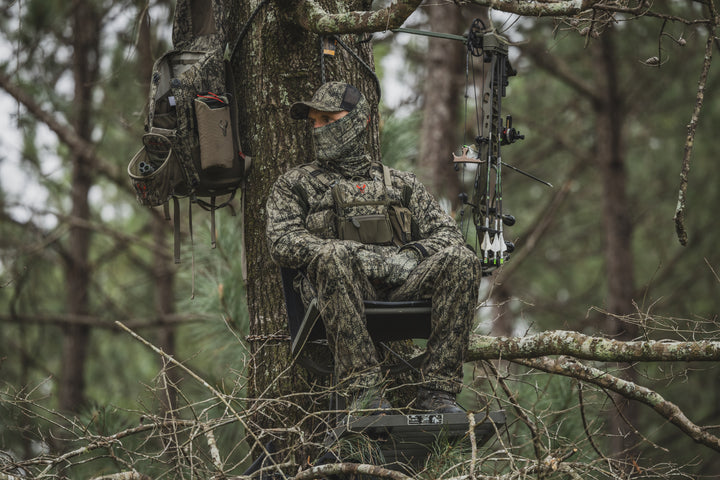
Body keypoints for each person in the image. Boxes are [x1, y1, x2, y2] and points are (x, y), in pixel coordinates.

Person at [265, 82, 481, 414]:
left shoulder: (402, 184)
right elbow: (282, 241)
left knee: (462, 260)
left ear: (360, 121)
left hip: (401, 289)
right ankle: (365, 393)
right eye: (313, 122)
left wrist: (411, 256)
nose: (318, 129)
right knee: (332, 255)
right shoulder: (295, 185)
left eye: (327, 119)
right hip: (337, 289)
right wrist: (362, 257)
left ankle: (438, 393)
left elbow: (448, 236)